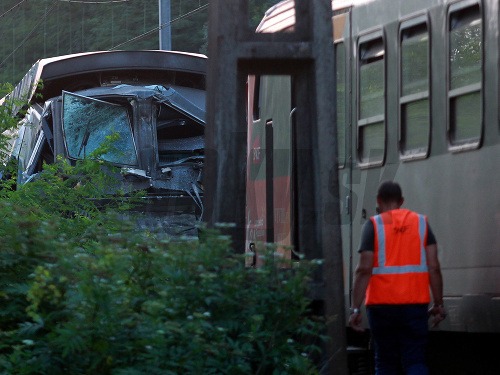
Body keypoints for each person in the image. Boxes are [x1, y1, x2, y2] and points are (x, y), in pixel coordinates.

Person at [348, 181, 446, 375]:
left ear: (378, 201)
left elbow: (364, 269)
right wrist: (439, 304)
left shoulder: (373, 225)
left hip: (381, 307)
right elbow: (434, 266)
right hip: (415, 305)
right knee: (415, 359)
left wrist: (355, 308)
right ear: (401, 201)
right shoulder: (420, 223)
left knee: (385, 362)